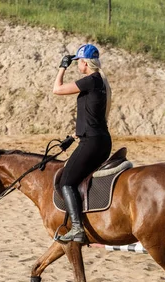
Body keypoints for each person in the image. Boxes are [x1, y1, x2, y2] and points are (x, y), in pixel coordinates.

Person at [53, 44, 113, 243]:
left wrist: (63, 67)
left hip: (93, 143)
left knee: (66, 182)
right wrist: (75, 135)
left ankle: (77, 228)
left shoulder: (90, 80)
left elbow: (57, 89)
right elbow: (92, 116)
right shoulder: (101, 82)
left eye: (79, 61)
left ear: (85, 63)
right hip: (100, 140)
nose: (77, 64)